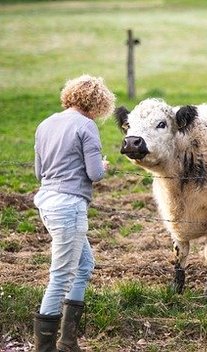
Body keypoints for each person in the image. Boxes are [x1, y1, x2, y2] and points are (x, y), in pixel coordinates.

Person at [33, 75, 115, 352]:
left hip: (47, 201)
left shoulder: (45, 124)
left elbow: (38, 172)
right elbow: (94, 173)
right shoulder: (86, 126)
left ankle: (68, 341)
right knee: (61, 274)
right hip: (69, 206)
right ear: (99, 102)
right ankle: (44, 348)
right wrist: (103, 165)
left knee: (83, 266)